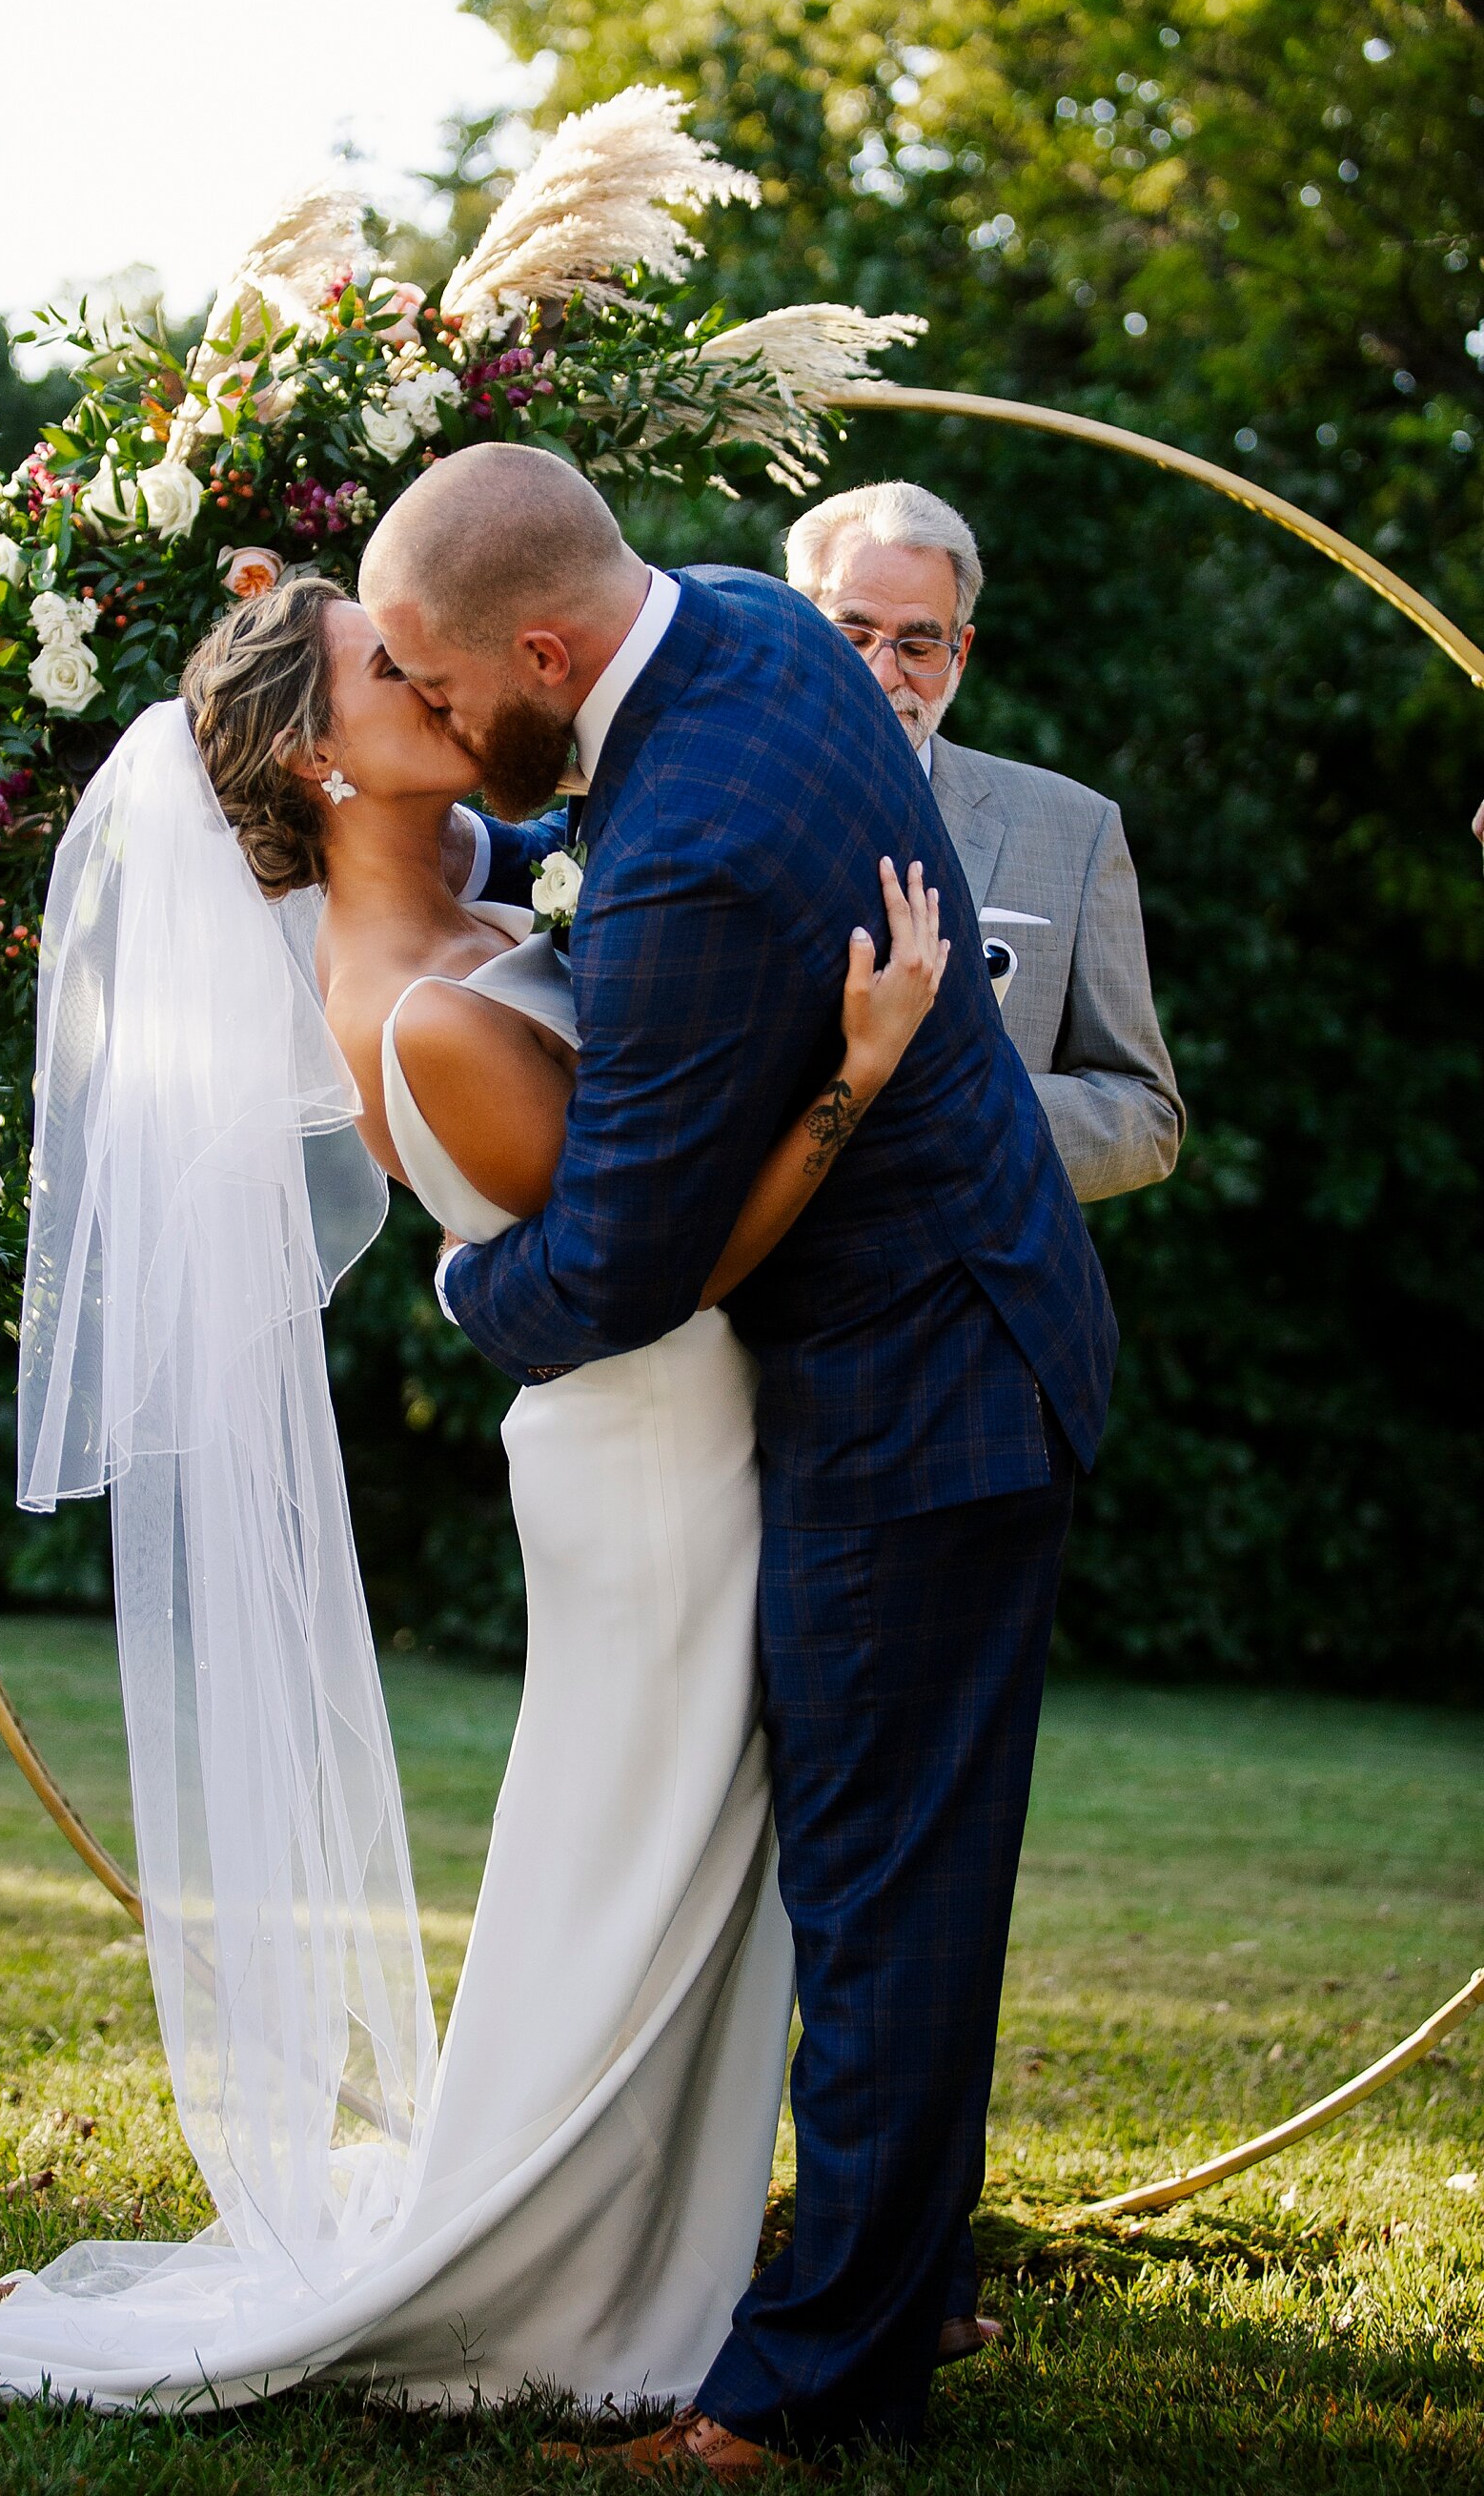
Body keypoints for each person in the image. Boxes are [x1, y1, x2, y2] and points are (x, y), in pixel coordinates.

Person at [0, 570, 946, 2409]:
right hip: (653, 1462)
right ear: (312, 758)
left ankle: (640, 2242)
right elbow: (648, 1274)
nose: (429, 679)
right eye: (383, 668)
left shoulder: (482, 889)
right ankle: (560, 2271)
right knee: (640, 1863)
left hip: (708, 1439)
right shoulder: (416, 1010)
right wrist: (856, 1079)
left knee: (676, 1867)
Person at [358, 446, 1117, 2466]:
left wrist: (456, 1287)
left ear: (540, 647)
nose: (440, 729)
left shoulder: (686, 834)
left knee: (882, 1896)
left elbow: (613, 1269)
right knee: (899, 1870)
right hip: (951, 1328)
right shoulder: (754, 626)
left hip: (918, 1383)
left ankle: (807, 2394)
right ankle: (913, 2281)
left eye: (441, 692)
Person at [785, 480, 1183, 1206]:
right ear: (797, 632)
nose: (883, 673)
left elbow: (1146, 1115)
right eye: (853, 634)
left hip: (962, 1299)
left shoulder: (1076, 829)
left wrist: (957, 1116)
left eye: (918, 643)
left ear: (959, 652)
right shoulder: (711, 799)